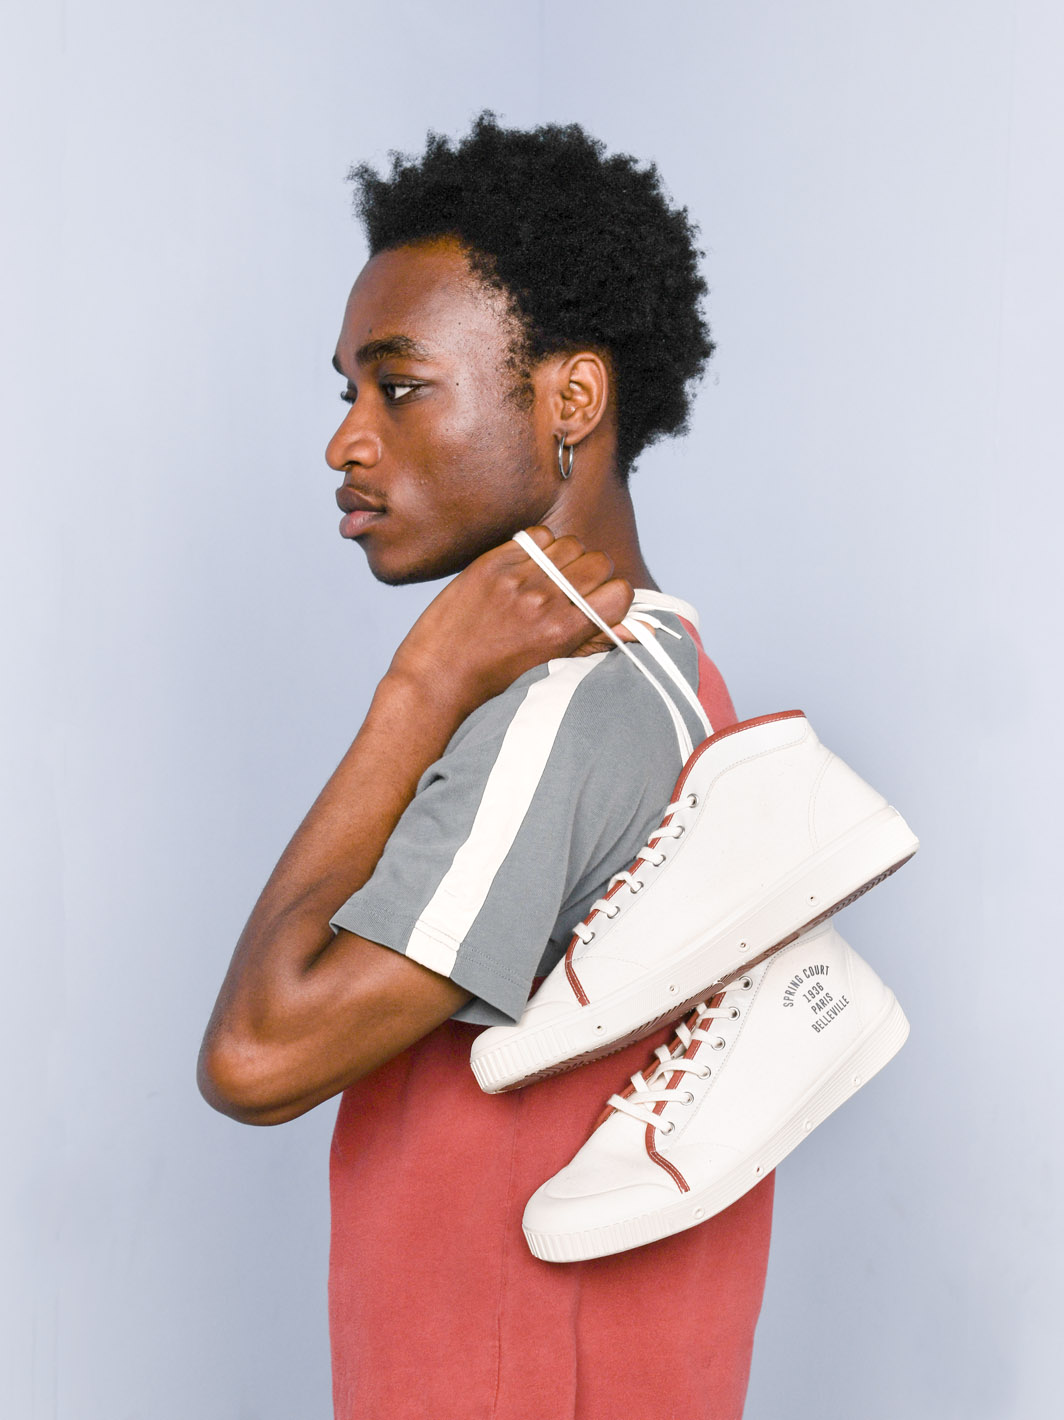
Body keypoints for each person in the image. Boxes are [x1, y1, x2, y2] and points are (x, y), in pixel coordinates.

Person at [199, 113, 776, 1420]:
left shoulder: (561, 707)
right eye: (346, 393)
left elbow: (256, 1056)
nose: (347, 442)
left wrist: (415, 692)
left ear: (571, 400)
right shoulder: (674, 670)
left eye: (399, 387)